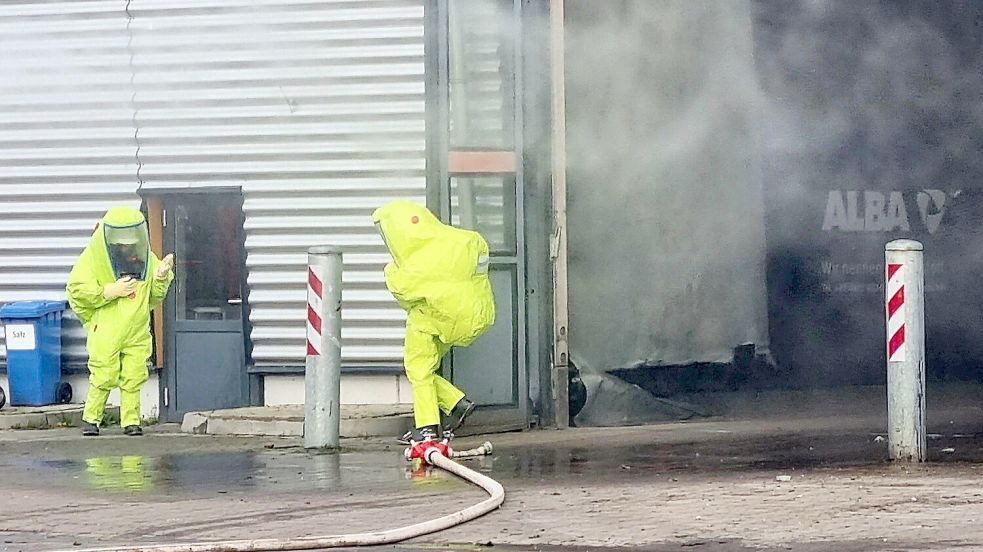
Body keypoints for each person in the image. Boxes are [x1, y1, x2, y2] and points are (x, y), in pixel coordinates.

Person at [372, 200, 495, 444]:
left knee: (418, 369)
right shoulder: (468, 240)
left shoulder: (404, 270)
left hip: (432, 321)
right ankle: (456, 404)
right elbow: (480, 267)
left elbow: (406, 297)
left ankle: (428, 427)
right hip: (473, 317)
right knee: (427, 368)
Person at [66, 206, 174, 437]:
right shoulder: (94, 257)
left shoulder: (145, 258)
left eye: (130, 241)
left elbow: (154, 296)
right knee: (103, 374)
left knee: (134, 376)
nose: (126, 247)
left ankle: (131, 421)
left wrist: (161, 277)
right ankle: (91, 419)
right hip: (106, 329)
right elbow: (76, 290)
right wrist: (109, 291)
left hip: (137, 330)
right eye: (121, 242)